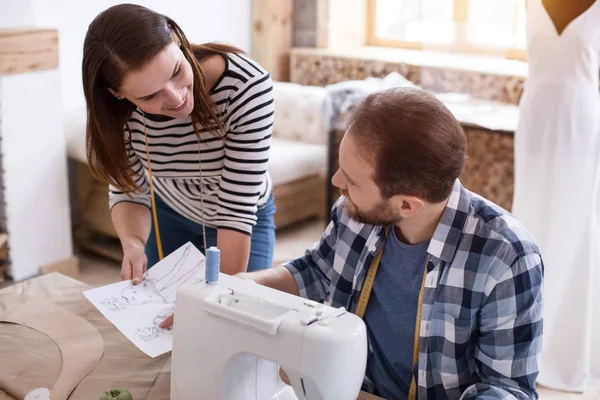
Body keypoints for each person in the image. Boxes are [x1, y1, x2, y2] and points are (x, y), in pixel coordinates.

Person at [238, 87, 544, 399]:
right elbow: (317, 270)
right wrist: (238, 286)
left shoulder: (507, 256)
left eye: (352, 180)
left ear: (407, 206)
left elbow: (508, 390)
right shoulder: (354, 212)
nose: (336, 182)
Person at [81, 4, 276, 285]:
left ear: (176, 39)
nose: (175, 99)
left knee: (233, 314)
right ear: (118, 94)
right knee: (162, 321)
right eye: (149, 96)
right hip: (169, 214)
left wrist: (215, 299)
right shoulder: (117, 114)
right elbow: (129, 189)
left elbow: (235, 212)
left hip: (244, 219)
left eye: (176, 72)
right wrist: (133, 244)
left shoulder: (245, 86)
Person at [512, 0, 600, 392]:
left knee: (574, 225)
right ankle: (521, 340)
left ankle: (566, 350)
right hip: (535, 120)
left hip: (580, 121)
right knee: (530, 225)